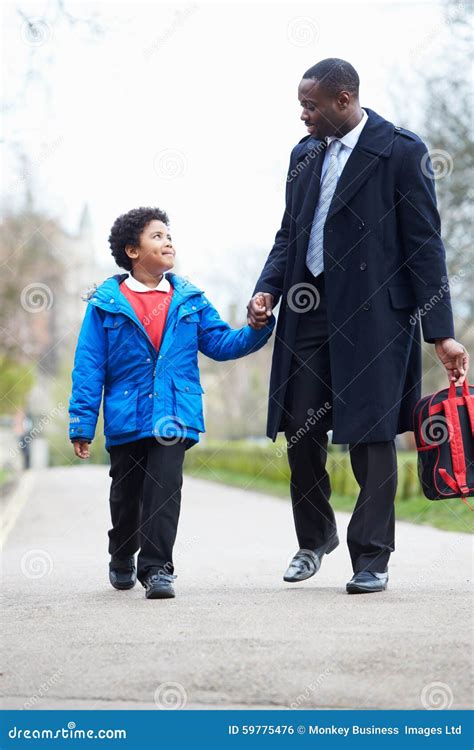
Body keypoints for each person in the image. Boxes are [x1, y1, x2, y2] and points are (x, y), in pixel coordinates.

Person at [247, 58, 469, 594]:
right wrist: (267, 287)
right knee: (299, 429)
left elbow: (423, 243)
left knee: (372, 436)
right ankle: (315, 536)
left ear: (343, 100)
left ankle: (372, 557)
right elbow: (289, 233)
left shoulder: (401, 150)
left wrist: (440, 331)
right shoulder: (304, 153)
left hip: (376, 318)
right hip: (308, 311)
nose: (303, 115)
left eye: (311, 105)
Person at [69, 206, 274, 599]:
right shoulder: (105, 304)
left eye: (169, 235)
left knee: (165, 489)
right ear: (132, 250)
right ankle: (121, 552)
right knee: (126, 498)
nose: (168, 242)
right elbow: (89, 366)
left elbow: (222, 344)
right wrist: (82, 423)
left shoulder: (190, 300)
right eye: (157, 236)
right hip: (127, 416)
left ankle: (158, 569)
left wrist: (256, 327)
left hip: (174, 415)